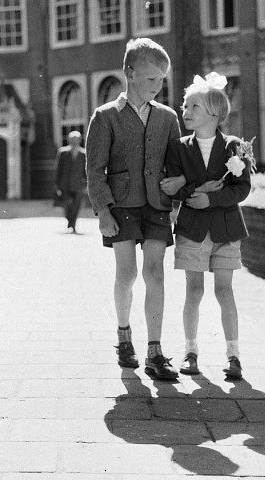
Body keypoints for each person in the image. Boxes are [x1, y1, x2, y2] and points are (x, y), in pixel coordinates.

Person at [86, 38, 182, 380]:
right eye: (152, 79)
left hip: (156, 205)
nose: (158, 86)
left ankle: (154, 350)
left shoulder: (168, 118)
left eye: (162, 80)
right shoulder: (106, 117)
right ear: (130, 73)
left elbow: (176, 165)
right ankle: (124, 336)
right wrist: (103, 212)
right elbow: (95, 170)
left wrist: (177, 192)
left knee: (154, 273)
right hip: (121, 207)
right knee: (126, 275)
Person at [162, 72, 252, 379]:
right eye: (185, 106)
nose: (185, 112)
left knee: (225, 290)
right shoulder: (179, 148)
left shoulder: (233, 147)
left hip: (226, 229)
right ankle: (190, 352)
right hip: (192, 229)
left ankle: (234, 355)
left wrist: (211, 199)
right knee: (194, 289)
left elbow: (242, 188)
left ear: (214, 114)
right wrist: (193, 189)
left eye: (193, 107)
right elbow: (172, 184)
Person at [54, 130, 87, 233]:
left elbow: (86, 170)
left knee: (76, 205)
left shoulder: (83, 153)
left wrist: (86, 184)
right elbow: (58, 169)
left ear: (80, 140)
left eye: (76, 139)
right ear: (69, 140)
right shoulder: (62, 152)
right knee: (67, 204)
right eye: (73, 139)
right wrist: (56, 185)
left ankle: (73, 224)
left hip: (78, 184)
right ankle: (70, 221)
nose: (75, 141)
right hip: (65, 184)